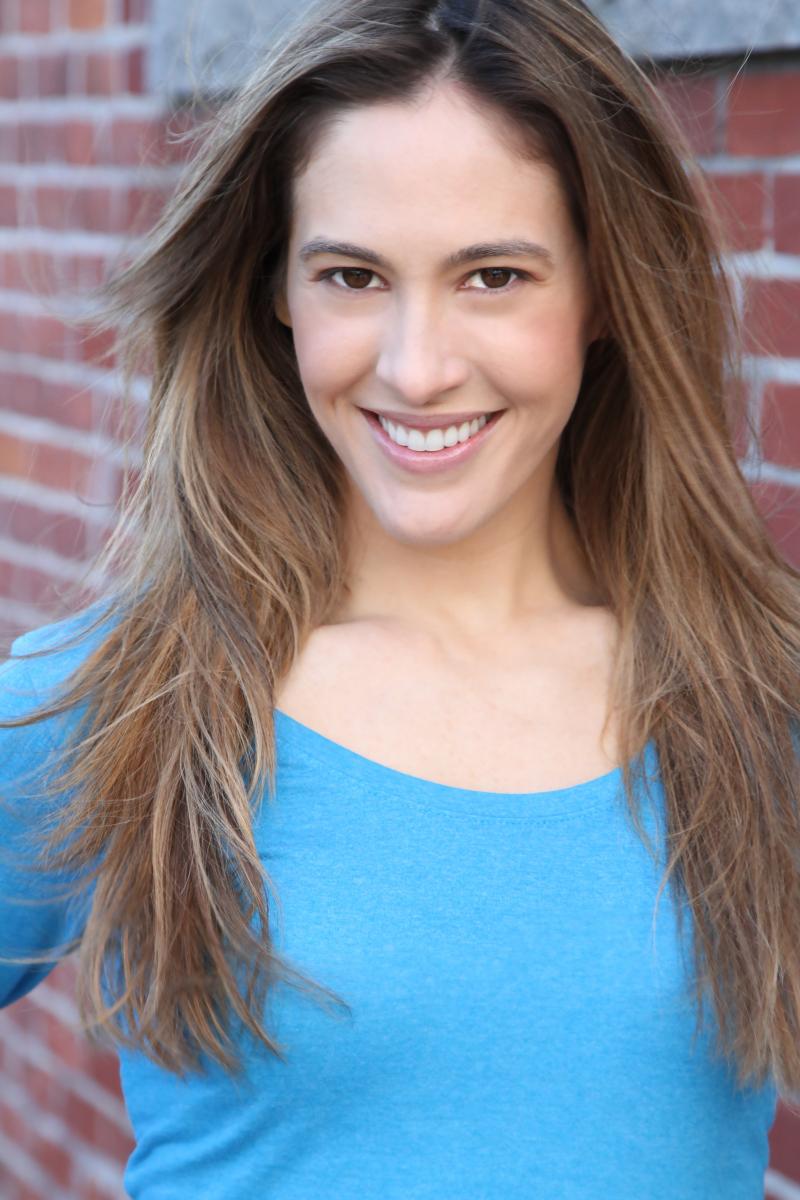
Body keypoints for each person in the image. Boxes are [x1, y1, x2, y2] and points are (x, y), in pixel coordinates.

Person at [1, 0, 799, 1195]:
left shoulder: (757, 691)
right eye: (353, 276)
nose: (416, 367)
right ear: (276, 290)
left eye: (493, 276)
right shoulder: (126, 698)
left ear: (600, 295)